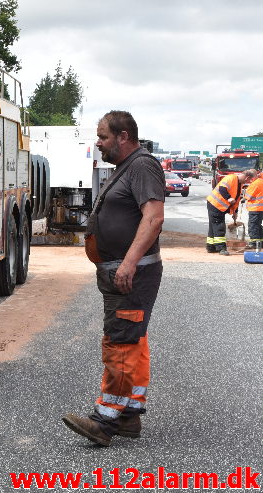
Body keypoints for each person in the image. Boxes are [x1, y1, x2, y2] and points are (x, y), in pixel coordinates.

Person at [63, 111, 165, 447]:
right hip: (120, 271)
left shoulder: (142, 165)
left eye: (103, 136)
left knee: (120, 340)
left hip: (129, 274)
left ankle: (104, 422)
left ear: (123, 136)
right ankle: (130, 414)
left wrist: (129, 263)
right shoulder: (128, 166)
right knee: (132, 338)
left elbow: (153, 217)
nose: (98, 141)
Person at [206, 169, 259, 255]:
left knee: (213, 226)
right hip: (215, 204)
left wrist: (235, 211)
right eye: (249, 180)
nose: (248, 182)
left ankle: (211, 247)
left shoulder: (239, 184)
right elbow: (222, 188)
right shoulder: (231, 178)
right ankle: (221, 248)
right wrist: (228, 198)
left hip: (219, 206)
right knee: (219, 225)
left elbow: (236, 199)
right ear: (247, 178)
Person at [243, 172, 263, 248]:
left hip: (255, 208)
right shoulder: (261, 181)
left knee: (253, 225)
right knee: (258, 225)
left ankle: (254, 243)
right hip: (260, 208)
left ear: (251, 177)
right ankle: (260, 242)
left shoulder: (254, 184)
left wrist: (243, 195)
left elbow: (248, 196)